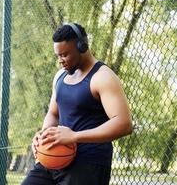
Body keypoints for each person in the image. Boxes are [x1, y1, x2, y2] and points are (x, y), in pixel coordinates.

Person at [22, 23, 133, 185]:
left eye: (65, 55)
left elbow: (124, 124)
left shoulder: (103, 77)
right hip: (55, 157)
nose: (61, 61)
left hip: (88, 162)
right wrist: (44, 136)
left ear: (82, 47)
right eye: (58, 56)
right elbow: (53, 113)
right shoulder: (60, 76)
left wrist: (74, 136)